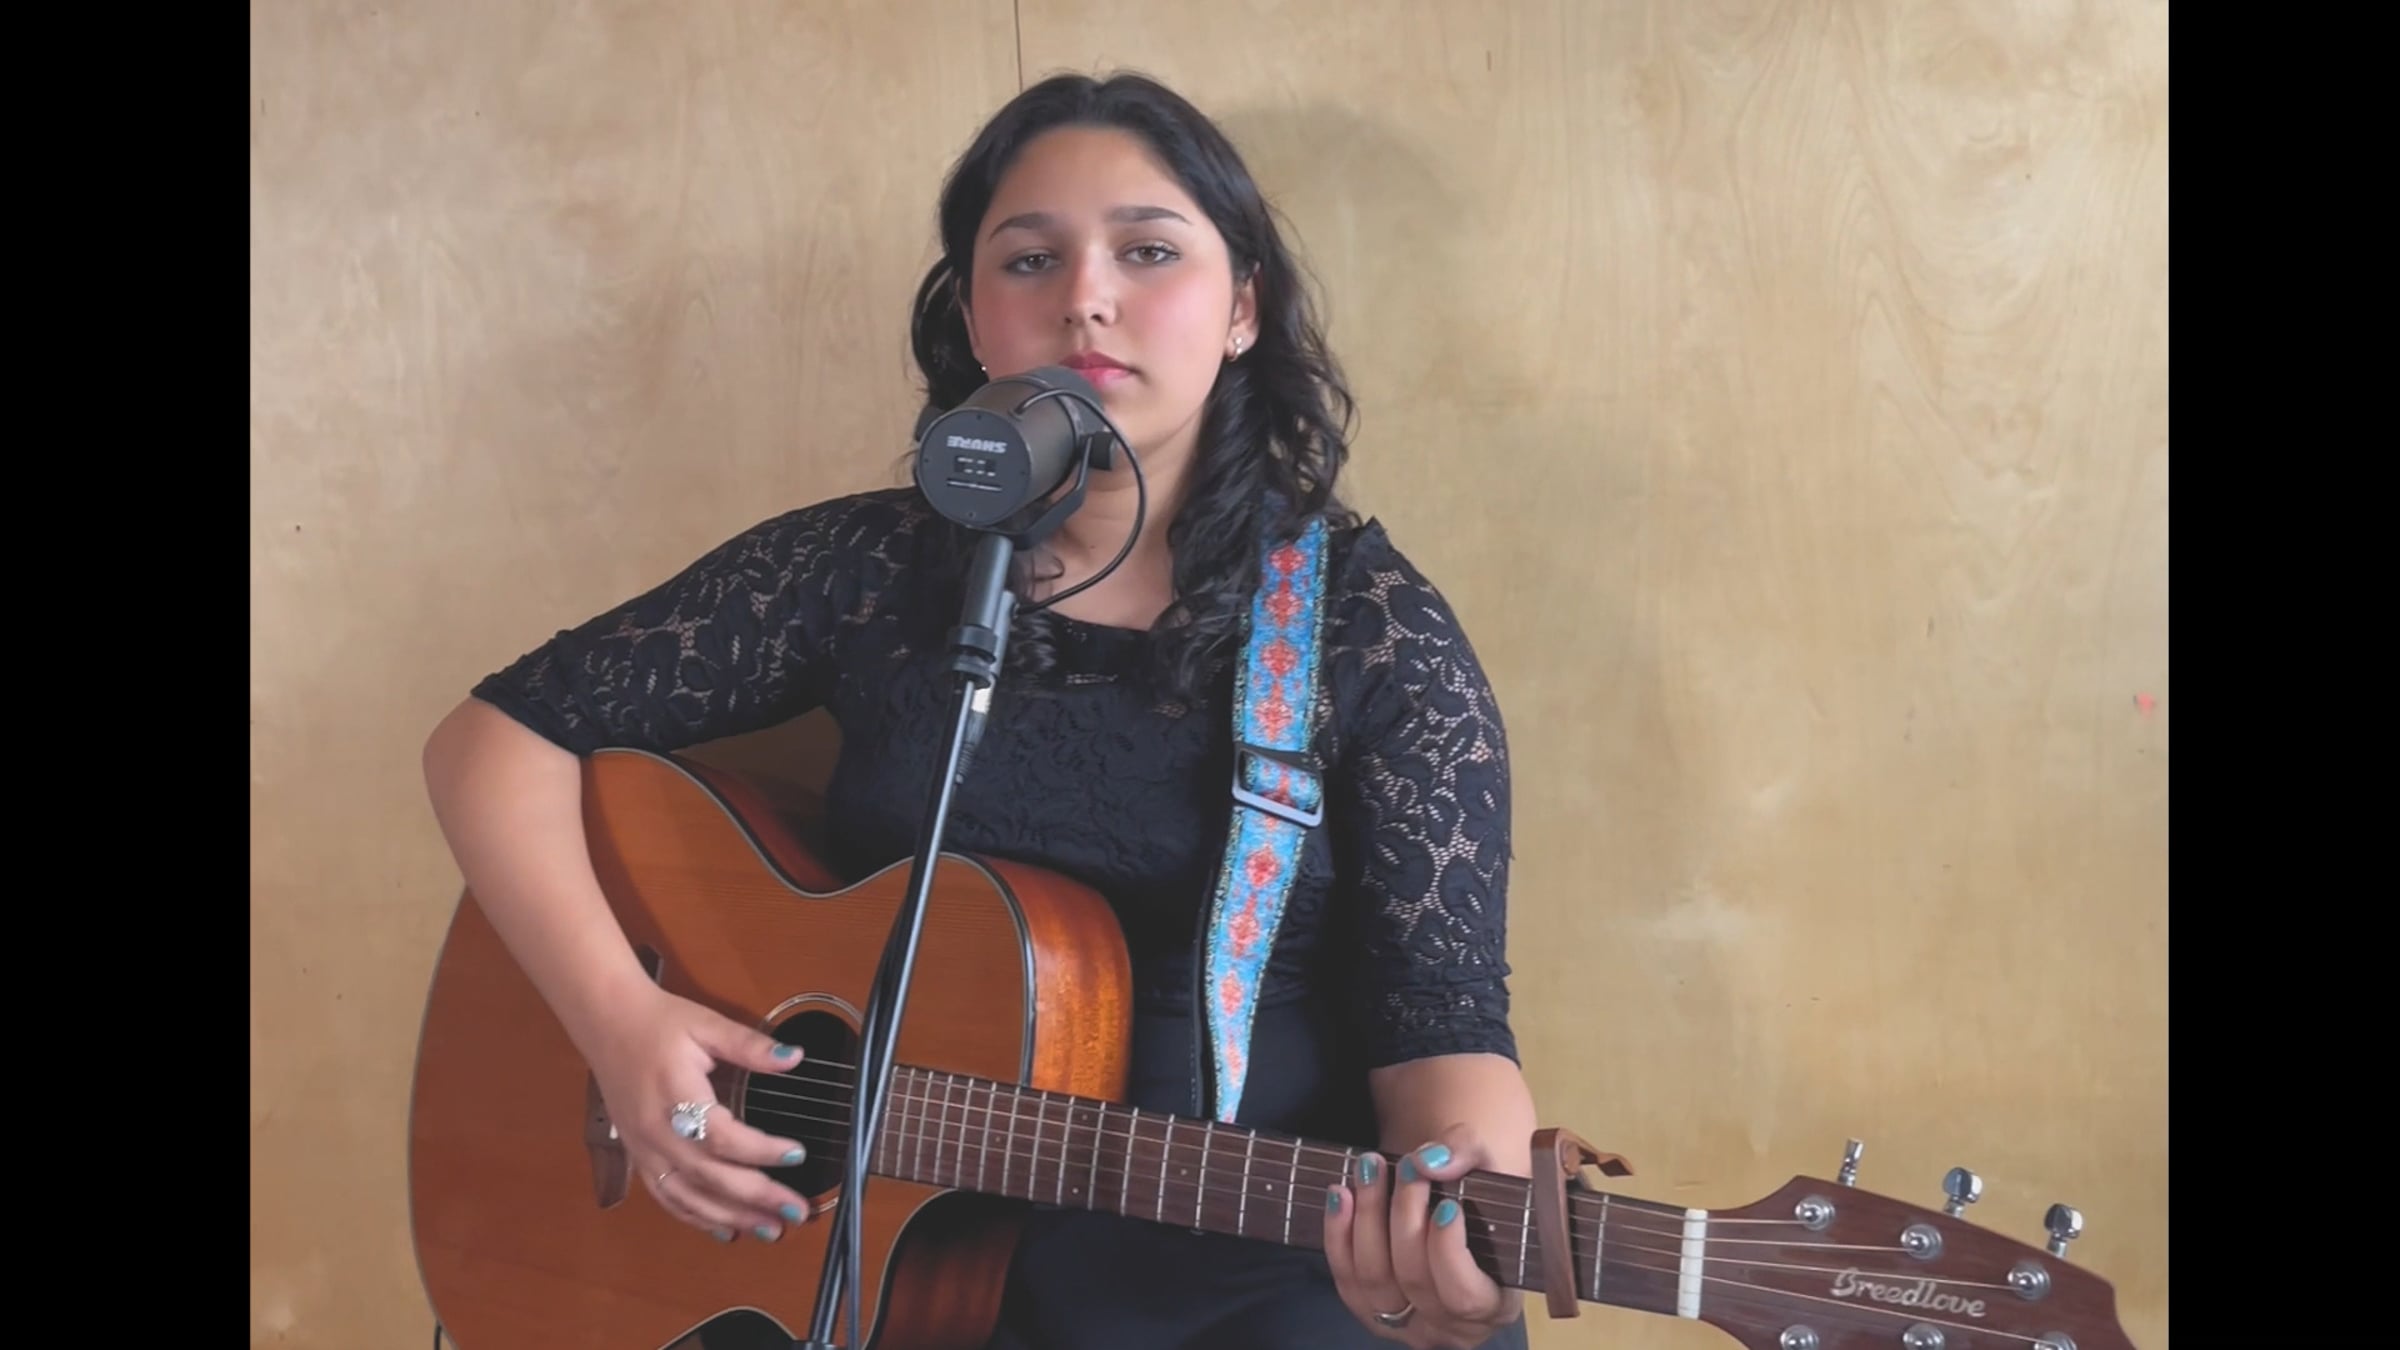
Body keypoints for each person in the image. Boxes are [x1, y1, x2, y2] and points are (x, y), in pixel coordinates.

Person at [421, 69, 1535, 1350]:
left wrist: (1454, 1254)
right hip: (875, 1253)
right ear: (974, 318)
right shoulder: (871, 568)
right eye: (1030, 259)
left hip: (1246, 1260)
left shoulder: (1365, 629)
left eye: (1148, 251)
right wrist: (623, 1026)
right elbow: (494, 740)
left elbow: (1441, 1024)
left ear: (1242, 307)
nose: (1086, 298)